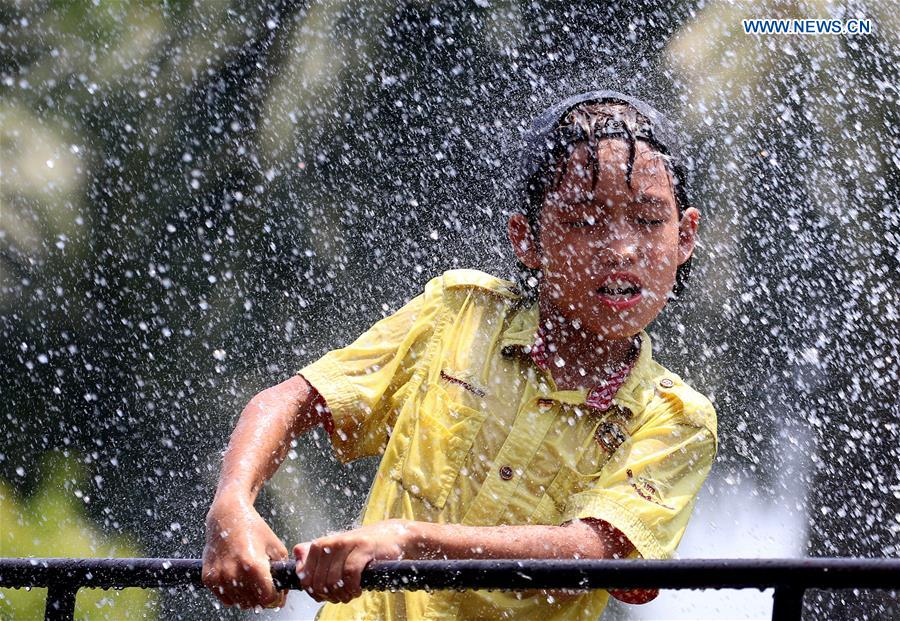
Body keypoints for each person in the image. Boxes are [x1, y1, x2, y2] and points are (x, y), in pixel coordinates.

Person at [202, 89, 718, 621]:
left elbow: (592, 552)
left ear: (687, 237)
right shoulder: (459, 315)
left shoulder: (678, 418)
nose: (622, 248)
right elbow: (291, 399)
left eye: (650, 220)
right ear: (527, 240)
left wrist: (407, 541)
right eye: (583, 222)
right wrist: (232, 504)